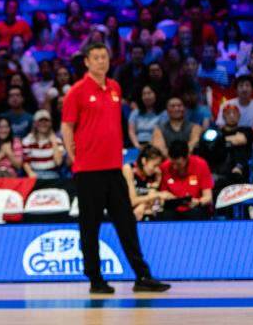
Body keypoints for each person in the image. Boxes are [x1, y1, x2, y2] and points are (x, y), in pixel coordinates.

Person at [60, 42, 171, 294]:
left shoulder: (114, 88)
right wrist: (73, 155)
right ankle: (95, 279)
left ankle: (142, 275)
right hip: (88, 171)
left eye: (105, 57)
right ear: (87, 62)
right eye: (96, 57)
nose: (102, 61)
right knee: (90, 226)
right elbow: (67, 126)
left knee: (126, 223)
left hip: (114, 167)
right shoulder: (76, 92)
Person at [197, 103, 253, 199]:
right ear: (223, 116)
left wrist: (220, 140)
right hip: (219, 163)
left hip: (238, 166)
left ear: (239, 116)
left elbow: (241, 140)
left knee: (236, 148)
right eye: (228, 113)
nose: (231, 116)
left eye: (234, 113)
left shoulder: (246, 130)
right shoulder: (216, 131)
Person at [158, 140, 214, 220]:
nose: (175, 167)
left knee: (195, 214)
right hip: (173, 210)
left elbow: (208, 197)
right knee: (165, 215)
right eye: (172, 163)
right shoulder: (164, 167)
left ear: (187, 156)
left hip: (195, 208)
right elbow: (162, 196)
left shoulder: (201, 164)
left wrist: (198, 202)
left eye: (179, 164)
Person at [122, 145, 172, 221]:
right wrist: (158, 194)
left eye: (158, 166)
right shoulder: (128, 169)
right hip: (126, 210)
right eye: (154, 165)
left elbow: (151, 199)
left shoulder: (154, 174)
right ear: (144, 161)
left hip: (143, 210)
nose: (156, 169)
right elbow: (132, 201)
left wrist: (143, 205)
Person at [22, 110, 64, 179]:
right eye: (40, 121)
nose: (43, 123)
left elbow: (58, 162)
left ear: (50, 123)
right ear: (35, 124)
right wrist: (30, 173)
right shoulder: (27, 140)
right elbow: (25, 161)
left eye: (46, 121)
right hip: (34, 173)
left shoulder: (57, 141)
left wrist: (54, 143)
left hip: (52, 174)